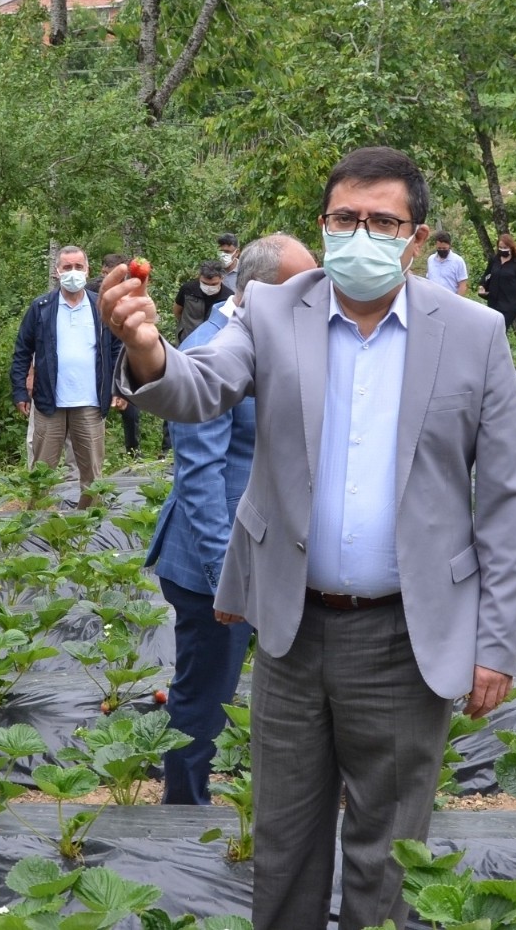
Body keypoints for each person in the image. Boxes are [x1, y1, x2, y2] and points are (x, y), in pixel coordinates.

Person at [101, 146, 516, 930]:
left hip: (407, 632)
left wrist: (495, 643)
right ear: (323, 225)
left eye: (382, 221)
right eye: (345, 219)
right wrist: (146, 350)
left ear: (415, 236)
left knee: (388, 852)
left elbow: (505, 498)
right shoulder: (273, 311)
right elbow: (203, 386)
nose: (360, 234)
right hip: (293, 631)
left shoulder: (473, 333)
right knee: (285, 841)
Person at [145, 233, 317, 806]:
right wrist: (231, 579)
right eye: (303, 286)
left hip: (261, 555)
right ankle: (184, 809)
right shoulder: (207, 347)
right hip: (212, 566)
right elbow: (200, 480)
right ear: (262, 291)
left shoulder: (278, 340)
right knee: (205, 695)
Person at [10, 246, 126, 508]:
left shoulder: (101, 306)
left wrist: (118, 387)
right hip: (49, 401)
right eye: (67, 267)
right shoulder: (41, 308)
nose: (73, 273)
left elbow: (117, 350)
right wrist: (19, 390)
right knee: (42, 472)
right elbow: (22, 350)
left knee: (92, 474)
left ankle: (89, 526)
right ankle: (38, 525)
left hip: (90, 401)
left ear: (88, 271)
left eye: (78, 267)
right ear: (57, 271)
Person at [91, 254, 141, 456]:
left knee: (130, 407)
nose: (106, 278)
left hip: (125, 352)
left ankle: (132, 450)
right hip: (100, 351)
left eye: (110, 274)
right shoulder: (92, 289)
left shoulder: (131, 293)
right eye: (104, 273)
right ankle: (94, 452)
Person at [478, 233, 516, 335]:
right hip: (493, 302)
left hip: (510, 305)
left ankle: (502, 350)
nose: (502, 250)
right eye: (500, 247)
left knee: (500, 331)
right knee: (491, 331)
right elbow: (487, 275)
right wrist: (482, 286)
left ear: (511, 247)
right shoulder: (494, 260)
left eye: (505, 247)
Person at [173, 261, 234, 344]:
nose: (208, 287)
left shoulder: (229, 297)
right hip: (186, 338)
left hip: (213, 342)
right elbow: (177, 311)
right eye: (204, 283)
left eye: (213, 284)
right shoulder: (188, 290)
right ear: (199, 277)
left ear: (221, 278)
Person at [425, 230, 469, 295]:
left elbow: (462, 285)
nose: (442, 250)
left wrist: (457, 301)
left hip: (451, 300)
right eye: (439, 248)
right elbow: (429, 280)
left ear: (449, 245)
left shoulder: (458, 261)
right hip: (433, 300)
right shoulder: (431, 260)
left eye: (444, 248)